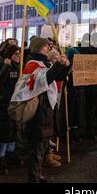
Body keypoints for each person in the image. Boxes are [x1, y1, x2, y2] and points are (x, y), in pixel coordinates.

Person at [22, 37, 71, 183]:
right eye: (46, 46)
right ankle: (33, 177)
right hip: (37, 109)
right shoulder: (32, 64)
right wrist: (57, 66)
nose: (48, 48)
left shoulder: (44, 63)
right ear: (39, 48)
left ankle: (38, 173)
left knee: (42, 145)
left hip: (46, 107)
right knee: (36, 147)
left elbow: (57, 77)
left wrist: (65, 66)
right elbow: (45, 80)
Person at [0, 44, 23, 175]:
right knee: (4, 132)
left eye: (19, 53)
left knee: (14, 130)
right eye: (16, 53)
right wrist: (6, 67)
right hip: (4, 104)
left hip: (15, 103)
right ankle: (0, 158)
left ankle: (11, 153)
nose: (19, 56)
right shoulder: (2, 65)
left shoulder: (18, 67)